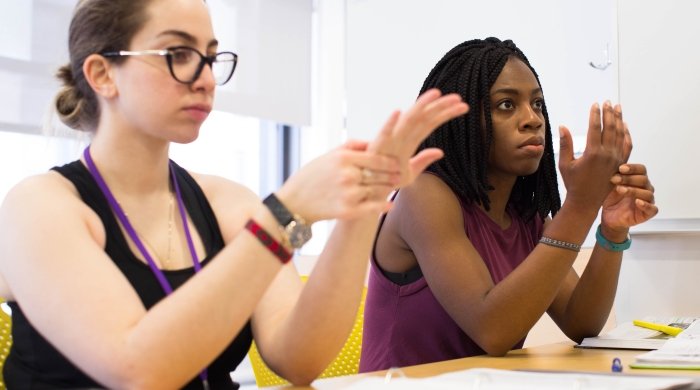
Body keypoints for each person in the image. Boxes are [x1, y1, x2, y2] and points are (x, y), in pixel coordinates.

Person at [0, 1, 469, 389]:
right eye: (177, 54)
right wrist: (284, 214)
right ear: (103, 74)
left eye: (209, 57)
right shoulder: (38, 208)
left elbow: (299, 358)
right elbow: (138, 372)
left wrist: (365, 206)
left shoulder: (227, 203)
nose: (204, 77)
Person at [360, 37, 658, 372]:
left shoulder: (524, 217)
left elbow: (581, 322)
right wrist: (581, 205)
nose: (533, 119)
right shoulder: (422, 194)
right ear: (463, 120)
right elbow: (493, 329)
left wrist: (613, 230)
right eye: (506, 104)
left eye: (538, 104)